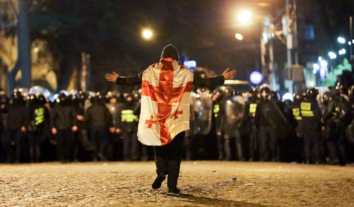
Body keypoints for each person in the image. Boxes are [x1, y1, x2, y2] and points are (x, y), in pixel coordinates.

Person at [105, 44, 236, 193]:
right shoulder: (184, 72)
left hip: (157, 117)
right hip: (176, 118)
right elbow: (204, 82)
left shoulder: (152, 70)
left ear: (162, 56)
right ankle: (172, 186)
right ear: (176, 57)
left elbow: (134, 80)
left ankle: (161, 171)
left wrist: (118, 79)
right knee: (175, 152)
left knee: (159, 146)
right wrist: (222, 78)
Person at [85, 94, 114, 161]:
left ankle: (95, 156)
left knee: (94, 142)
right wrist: (111, 126)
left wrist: (86, 128)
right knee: (103, 141)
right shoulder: (103, 108)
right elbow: (108, 117)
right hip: (103, 126)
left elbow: (86, 119)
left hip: (93, 127)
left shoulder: (90, 109)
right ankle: (101, 153)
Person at [51, 93, 78, 163]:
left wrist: (74, 125)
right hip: (60, 128)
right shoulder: (56, 107)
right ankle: (62, 158)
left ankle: (68, 158)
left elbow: (73, 117)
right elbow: (52, 118)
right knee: (60, 144)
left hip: (68, 127)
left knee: (68, 144)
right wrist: (53, 127)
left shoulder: (70, 107)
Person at [3, 90, 27, 163]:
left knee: (18, 144)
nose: (15, 98)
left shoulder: (23, 107)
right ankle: (10, 158)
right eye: (14, 96)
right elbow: (3, 109)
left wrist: (24, 125)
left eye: (17, 96)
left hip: (19, 127)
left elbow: (26, 117)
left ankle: (17, 159)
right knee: (7, 142)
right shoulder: (10, 106)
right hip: (10, 127)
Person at [299, 89, 322, 164]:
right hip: (313, 126)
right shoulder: (314, 103)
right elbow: (317, 116)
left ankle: (308, 159)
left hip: (304, 126)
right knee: (316, 143)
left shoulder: (302, 103)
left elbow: (300, 114)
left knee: (307, 144)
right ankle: (317, 160)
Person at [26, 94, 50, 163]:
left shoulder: (30, 108)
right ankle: (37, 158)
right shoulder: (43, 108)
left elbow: (28, 118)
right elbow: (47, 119)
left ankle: (33, 158)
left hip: (32, 128)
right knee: (37, 144)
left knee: (32, 144)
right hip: (40, 127)